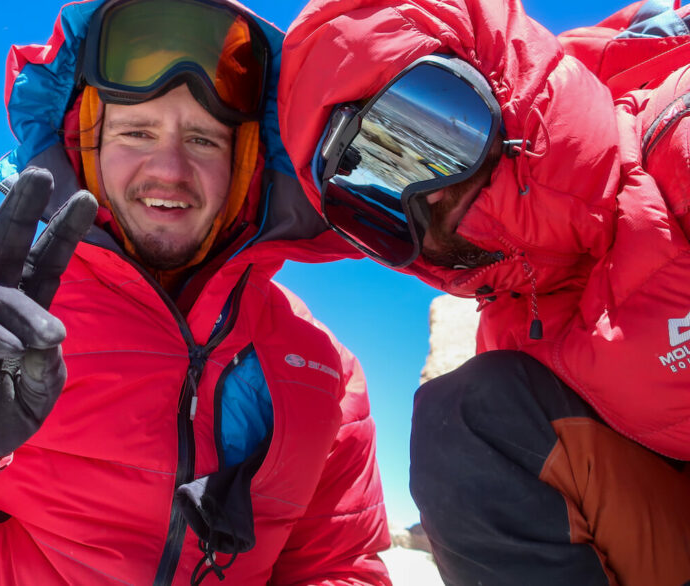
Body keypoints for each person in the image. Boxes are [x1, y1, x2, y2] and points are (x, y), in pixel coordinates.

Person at [0, 0, 391, 584]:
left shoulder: (320, 371)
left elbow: (340, 566)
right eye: (136, 131)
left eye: (205, 140)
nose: (169, 169)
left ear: (250, 164)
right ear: (84, 140)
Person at [277, 0, 690, 583]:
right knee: (466, 418)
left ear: (499, 81)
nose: (430, 192)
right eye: (378, 190)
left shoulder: (677, 150)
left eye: (439, 132)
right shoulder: (512, 344)